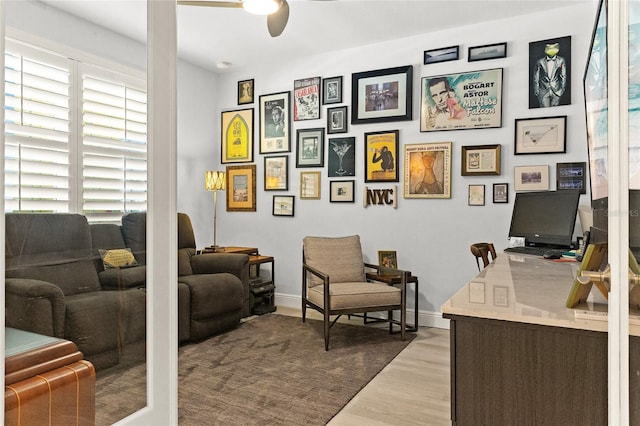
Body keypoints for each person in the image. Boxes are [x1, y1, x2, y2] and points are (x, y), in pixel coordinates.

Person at [533, 42, 567, 107]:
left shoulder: (561, 60)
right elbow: (536, 76)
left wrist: (562, 89)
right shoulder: (540, 61)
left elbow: (563, 75)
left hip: (556, 90)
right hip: (543, 91)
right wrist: (536, 90)